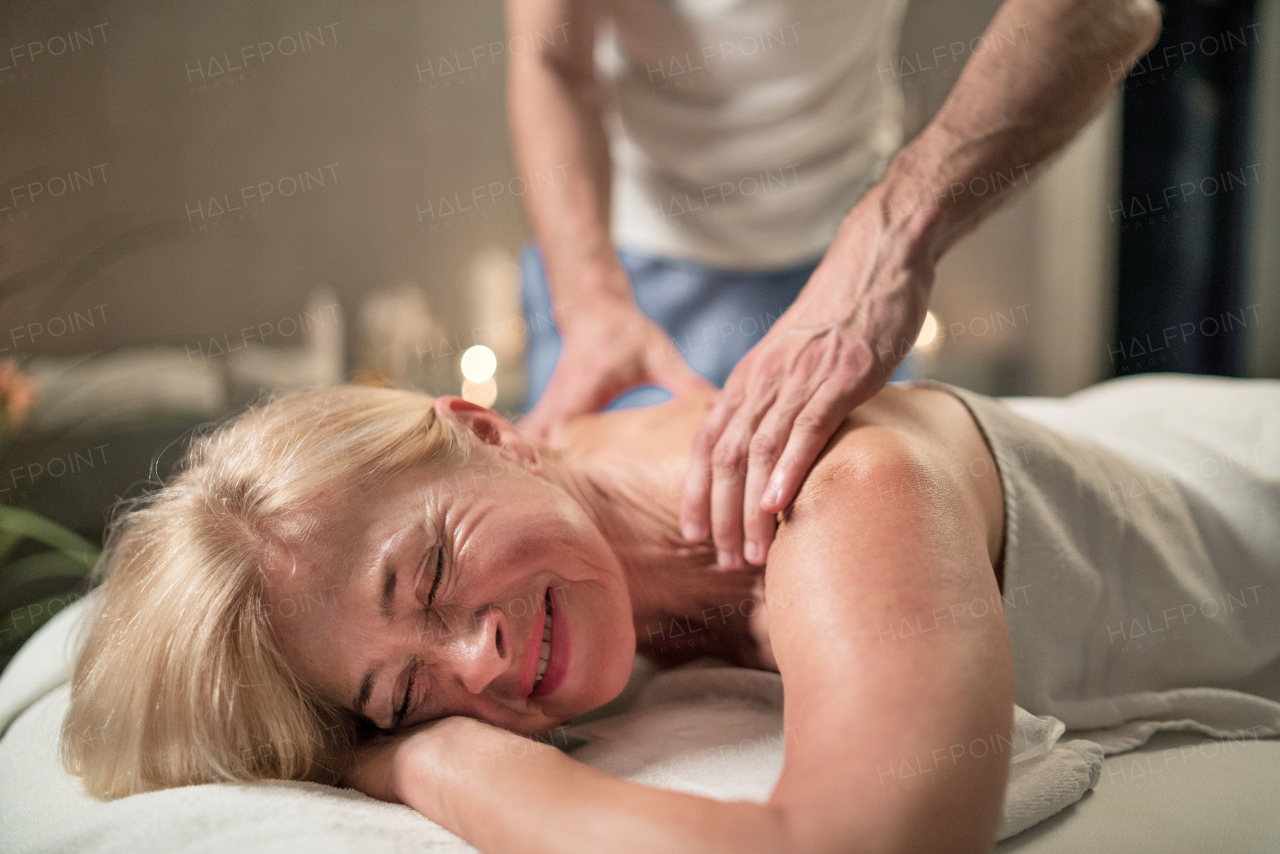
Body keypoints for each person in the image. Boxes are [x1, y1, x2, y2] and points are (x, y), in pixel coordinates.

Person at [61, 374, 1280, 852]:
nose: (476, 658)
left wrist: (429, 758)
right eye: (400, 689)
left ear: (488, 430)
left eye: (427, 574)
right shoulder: (554, 489)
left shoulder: (840, 500)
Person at [508, 0, 1165, 573]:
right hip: (618, 276)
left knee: (865, 539)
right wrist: (591, 304)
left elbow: (1105, 7)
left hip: (843, 257)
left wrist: (890, 243)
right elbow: (551, 60)